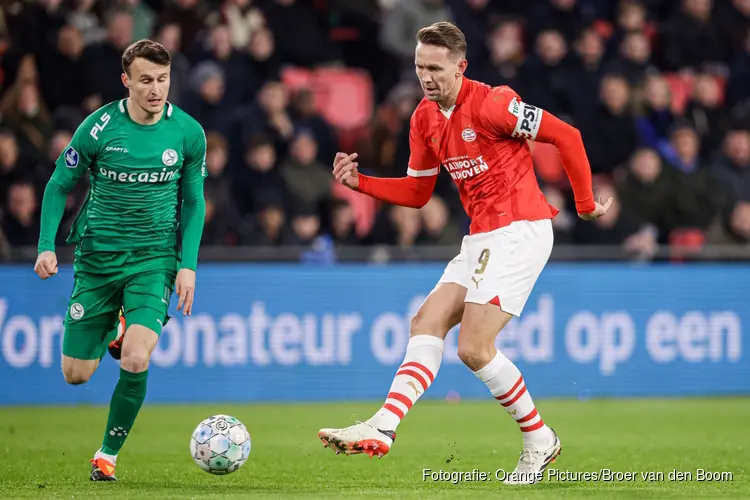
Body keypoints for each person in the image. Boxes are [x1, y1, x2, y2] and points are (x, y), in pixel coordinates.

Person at [318, 22, 611, 485]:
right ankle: (384, 425)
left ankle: (539, 439)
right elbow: (418, 193)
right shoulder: (423, 118)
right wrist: (362, 184)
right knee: (426, 321)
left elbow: (567, 136)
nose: (426, 77)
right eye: (419, 67)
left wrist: (585, 203)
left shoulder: (496, 103)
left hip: (520, 227)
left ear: (461, 67)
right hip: (481, 238)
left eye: (435, 68)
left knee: (474, 348)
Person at [34, 39, 207, 482]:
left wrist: (187, 264)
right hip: (97, 261)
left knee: (135, 357)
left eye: (163, 80)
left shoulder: (188, 133)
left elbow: (192, 201)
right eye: (146, 80)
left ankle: (107, 455)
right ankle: (113, 322)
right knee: (76, 374)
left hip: (153, 260)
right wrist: (46, 245)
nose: (156, 89)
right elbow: (58, 185)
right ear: (126, 80)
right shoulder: (97, 129)